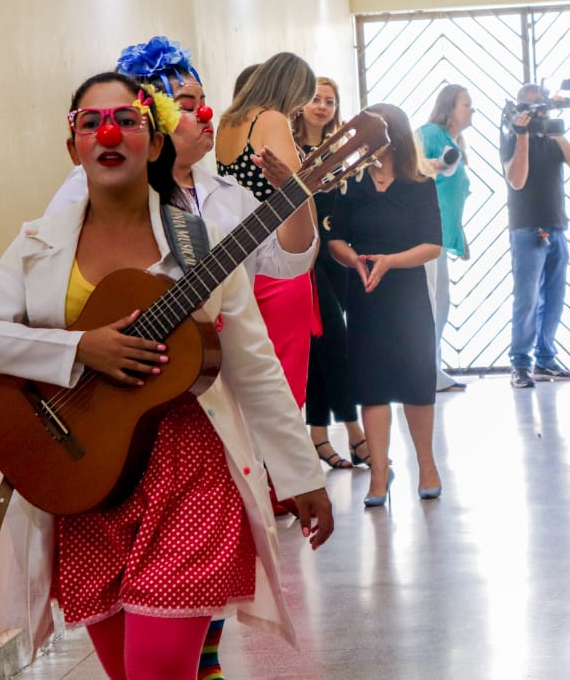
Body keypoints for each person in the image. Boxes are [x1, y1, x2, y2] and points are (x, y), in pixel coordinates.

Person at [0, 72, 332, 680]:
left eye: (128, 120)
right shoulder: (37, 245)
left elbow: (254, 363)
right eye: (91, 122)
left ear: (155, 143)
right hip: (84, 478)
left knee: (159, 671)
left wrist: (300, 474)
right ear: (73, 144)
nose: (109, 132)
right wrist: (82, 348)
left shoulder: (200, 241)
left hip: (190, 473)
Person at [44, 38, 315, 284]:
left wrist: (292, 193)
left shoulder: (228, 195)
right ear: (152, 118)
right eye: (187, 106)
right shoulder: (92, 184)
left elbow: (288, 262)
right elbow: (49, 264)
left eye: (203, 103)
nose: (206, 113)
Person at [328, 104, 444, 505]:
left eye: (367, 132)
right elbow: (336, 239)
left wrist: (391, 261)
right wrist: (354, 260)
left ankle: (426, 466)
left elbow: (433, 244)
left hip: (407, 290)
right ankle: (379, 474)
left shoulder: (417, 182)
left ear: (391, 134)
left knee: (416, 379)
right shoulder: (352, 183)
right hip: (365, 292)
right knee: (371, 385)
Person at [215, 53, 320, 407]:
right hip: (277, 259)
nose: (297, 113)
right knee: (284, 386)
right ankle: (282, 464)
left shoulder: (229, 121)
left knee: (246, 383)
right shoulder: (270, 119)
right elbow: (294, 194)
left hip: (239, 262)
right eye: (299, 102)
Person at [291, 77, 371, 469]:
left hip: (336, 257)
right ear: (301, 105)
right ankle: (356, 433)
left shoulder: (341, 152)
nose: (322, 106)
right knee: (334, 339)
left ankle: (319, 436)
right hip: (305, 256)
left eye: (330, 101)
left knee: (322, 344)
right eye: (315, 99)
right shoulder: (290, 150)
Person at [500, 84, 570, 388]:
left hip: (556, 226)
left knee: (554, 298)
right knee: (527, 298)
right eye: (532, 108)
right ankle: (520, 364)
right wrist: (523, 135)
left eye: (542, 107)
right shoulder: (511, 137)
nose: (539, 113)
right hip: (526, 228)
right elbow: (517, 180)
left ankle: (545, 359)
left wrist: (555, 130)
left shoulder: (552, 139)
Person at [416, 84, 475, 393]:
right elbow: (416, 173)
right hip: (425, 231)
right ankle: (424, 372)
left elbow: (452, 195)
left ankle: (430, 369)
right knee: (431, 303)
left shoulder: (454, 141)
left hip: (441, 234)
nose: (472, 110)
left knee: (438, 302)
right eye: (467, 104)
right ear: (450, 107)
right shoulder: (429, 134)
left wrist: (460, 236)